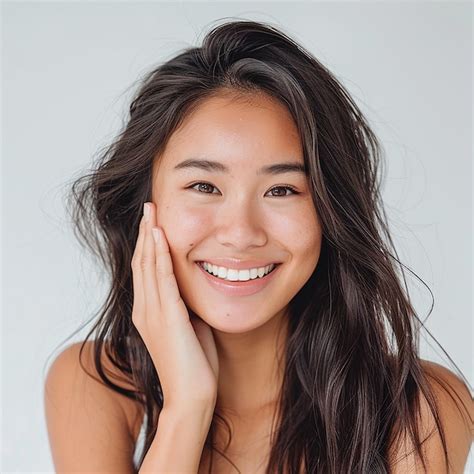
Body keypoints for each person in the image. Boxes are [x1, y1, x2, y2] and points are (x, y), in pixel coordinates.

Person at [43, 20, 472, 473]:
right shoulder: (93, 385)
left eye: (282, 190)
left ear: (331, 211)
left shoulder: (420, 409)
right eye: (204, 186)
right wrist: (186, 410)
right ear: (146, 203)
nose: (241, 233)